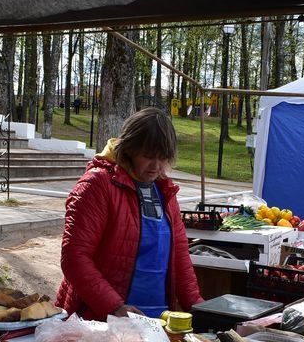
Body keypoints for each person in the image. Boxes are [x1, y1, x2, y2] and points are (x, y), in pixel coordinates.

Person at [55, 107, 202, 321]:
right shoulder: (97, 184)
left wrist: (197, 307)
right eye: (148, 156)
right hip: (101, 319)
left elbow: (180, 257)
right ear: (129, 148)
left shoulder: (164, 191)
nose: (156, 166)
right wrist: (115, 306)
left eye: (163, 158)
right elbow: (74, 258)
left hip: (158, 320)